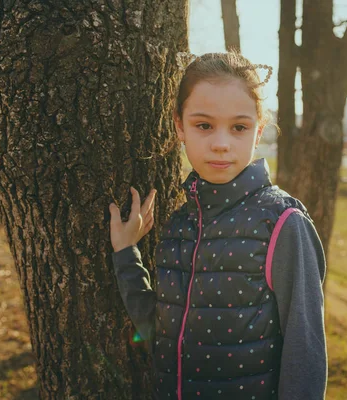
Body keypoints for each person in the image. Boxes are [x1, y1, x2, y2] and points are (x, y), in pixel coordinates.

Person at [109, 51, 327, 400]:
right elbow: (159, 332)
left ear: (257, 132)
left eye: (239, 127)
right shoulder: (180, 224)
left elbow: (306, 354)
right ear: (180, 125)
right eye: (204, 125)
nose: (221, 144)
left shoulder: (284, 224)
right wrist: (126, 253)